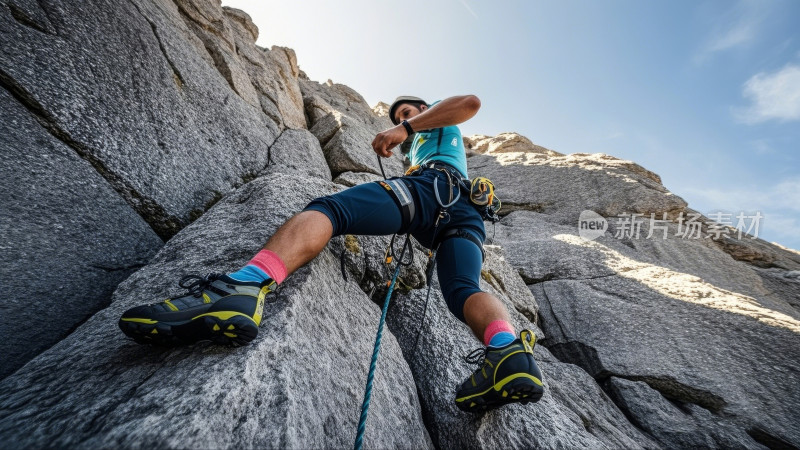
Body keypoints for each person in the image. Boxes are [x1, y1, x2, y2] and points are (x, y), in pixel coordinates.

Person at [119, 95, 544, 412]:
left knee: (331, 209)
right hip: (462, 214)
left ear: (423, 109)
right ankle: (508, 352)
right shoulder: (432, 143)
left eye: (407, 111)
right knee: (462, 288)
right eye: (398, 116)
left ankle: (242, 286)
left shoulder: (434, 122)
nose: (402, 117)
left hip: (432, 190)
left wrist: (409, 128)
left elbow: (468, 102)